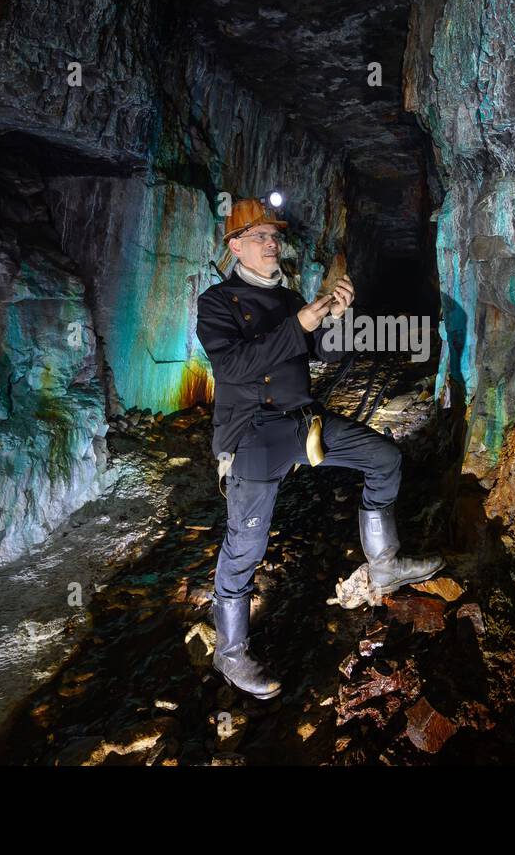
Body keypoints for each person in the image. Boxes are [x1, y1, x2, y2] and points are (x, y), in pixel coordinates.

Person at [195, 196, 444, 699]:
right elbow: (236, 369)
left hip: (303, 421)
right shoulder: (217, 303)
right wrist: (301, 324)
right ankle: (230, 653)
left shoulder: (288, 300)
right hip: (252, 432)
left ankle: (384, 563)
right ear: (236, 246)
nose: (272, 244)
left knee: (385, 458)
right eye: (260, 237)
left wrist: (339, 319)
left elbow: (323, 353)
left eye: (274, 236)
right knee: (246, 545)